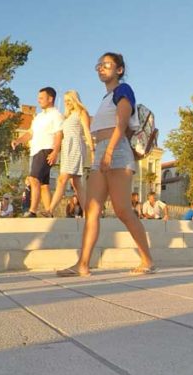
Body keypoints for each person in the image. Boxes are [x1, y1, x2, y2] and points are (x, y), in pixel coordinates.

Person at [56, 54, 155, 276]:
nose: (101, 68)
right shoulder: (105, 98)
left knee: (122, 210)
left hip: (117, 150)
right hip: (102, 152)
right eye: (99, 65)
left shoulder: (123, 90)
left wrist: (109, 151)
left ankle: (147, 260)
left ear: (119, 70)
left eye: (107, 65)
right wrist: (99, 152)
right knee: (92, 210)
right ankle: (82, 264)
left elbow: (122, 121)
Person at [12, 87, 63, 217]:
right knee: (44, 184)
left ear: (50, 99)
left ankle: (32, 211)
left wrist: (55, 151)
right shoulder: (38, 117)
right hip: (35, 151)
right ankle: (49, 211)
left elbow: (58, 134)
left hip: (46, 149)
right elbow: (30, 133)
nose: (38, 100)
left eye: (41, 98)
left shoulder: (56, 115)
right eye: (38, 98)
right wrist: (18, 140)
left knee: (34, 179)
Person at [47, 90, 93, 217]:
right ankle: (88, 213)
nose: (67, 103)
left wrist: (92, 150)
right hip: (67, 148)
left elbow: (87, 132)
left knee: (62, 179)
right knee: (77, 183)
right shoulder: (66, 116)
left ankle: (50, 210)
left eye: (69, 100)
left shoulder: (81, 113)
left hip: (76, 147)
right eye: (65, 101)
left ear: (75, 100)